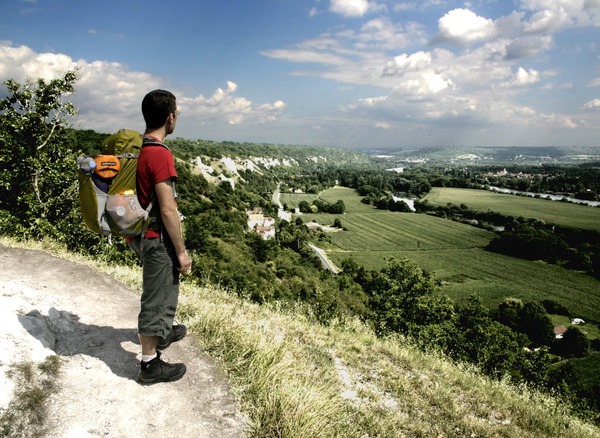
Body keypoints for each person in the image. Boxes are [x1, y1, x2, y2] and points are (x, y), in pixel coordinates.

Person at [135, 89, 192, 384]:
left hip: (147, 235)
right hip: (157, 236)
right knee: (155, 296)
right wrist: (181, 251)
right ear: (170, 117)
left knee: (167, 287)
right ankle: (150, 365)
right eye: (177, 114)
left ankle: (163, 331)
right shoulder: (159, 154)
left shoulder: (141, 149)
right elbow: (168, 209)